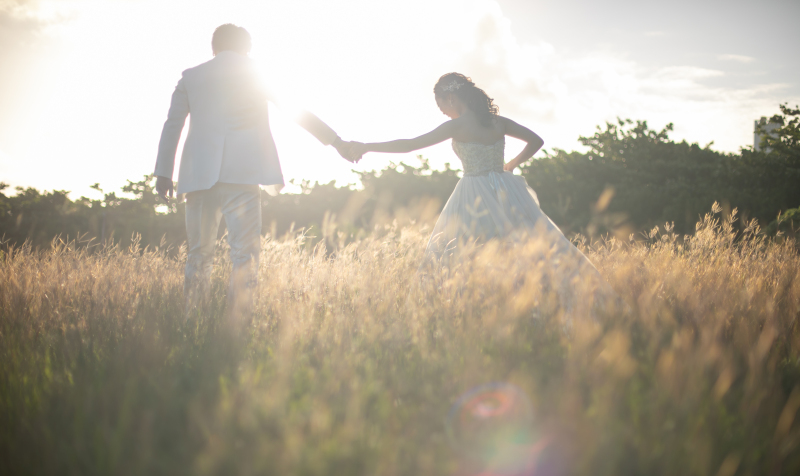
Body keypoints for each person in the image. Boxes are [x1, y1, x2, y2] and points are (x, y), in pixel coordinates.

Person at [346, 73, 615, 324]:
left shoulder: (456, 126)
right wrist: (510, 166)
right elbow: (536, 141)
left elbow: (409, 145)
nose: (442, 111)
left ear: (451, 98)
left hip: (472, 193)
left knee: (459, 253)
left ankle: (475, 315)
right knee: (529, 248)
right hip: (508, 192)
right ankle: (544, 308)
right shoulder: (498, 122)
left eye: (441, 105)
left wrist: (367, 146)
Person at [153, 24, 358, 323]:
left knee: (198, 254)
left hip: (198, 177)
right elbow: (295, 111)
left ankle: (193, 322)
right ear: (246, 48)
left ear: (214, 47)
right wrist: (336, 141)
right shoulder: (256, 72)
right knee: (245, 255)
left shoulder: (191, 77)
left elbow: (172, 125)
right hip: (243, 174)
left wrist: (163, 172)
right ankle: (238, 323)